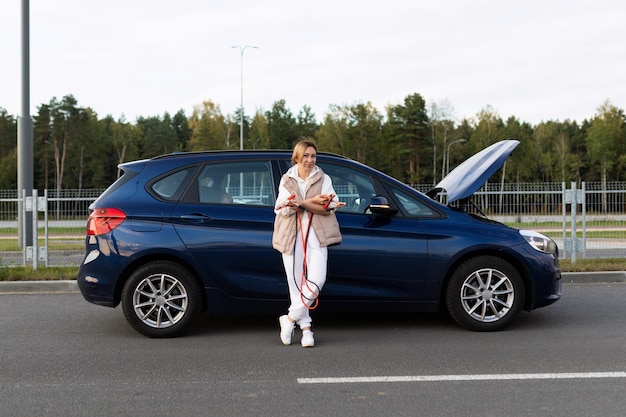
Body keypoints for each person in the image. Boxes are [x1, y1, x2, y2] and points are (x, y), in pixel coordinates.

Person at [272, 138, 344, 347]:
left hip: (317, 234)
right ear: (297, 157)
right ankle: (306, 329)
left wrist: (302, 203)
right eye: (306, 156)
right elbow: (283, 209)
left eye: (313, 156)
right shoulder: (287, 179)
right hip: (291, 235)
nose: (310, 160)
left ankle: (290, 319)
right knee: (296, 285)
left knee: (317, 280)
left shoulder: (323, 178)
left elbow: (329, 206)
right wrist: (311, 203)